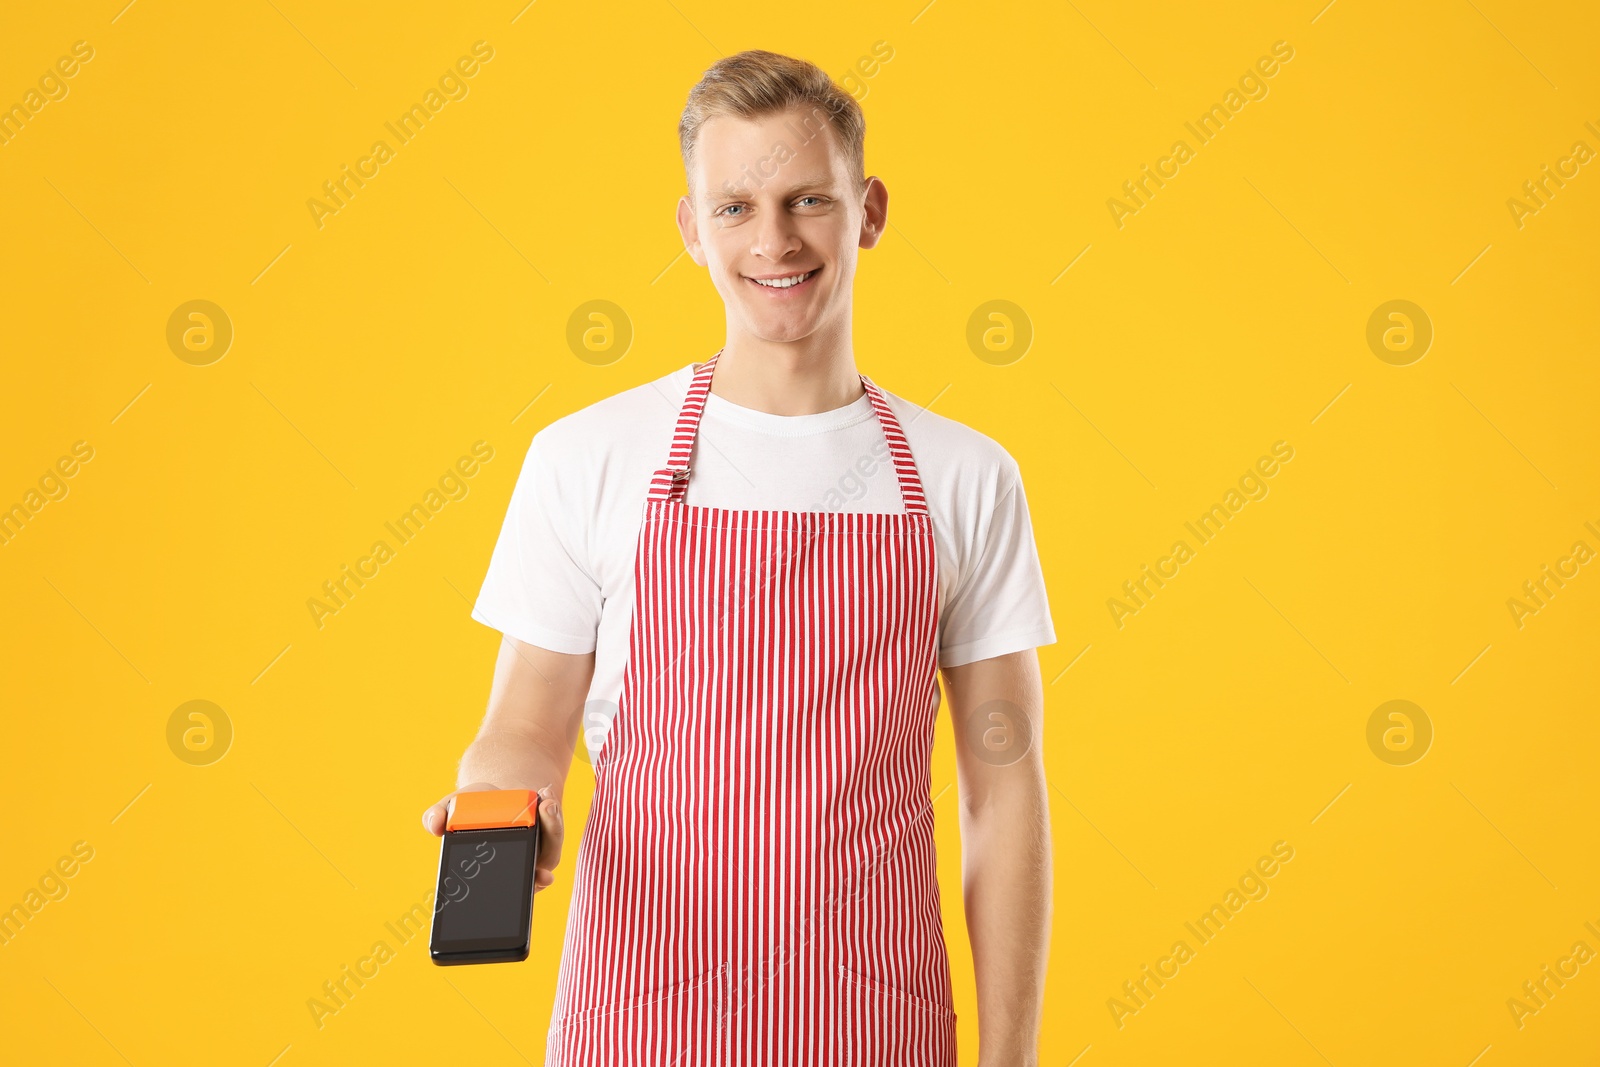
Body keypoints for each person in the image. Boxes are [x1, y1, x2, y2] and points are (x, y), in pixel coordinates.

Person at [420, 48, 1055, 1066]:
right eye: (734, 207)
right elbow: (521, 729)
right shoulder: (587, 457)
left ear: (870, 209)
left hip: (872, 1016)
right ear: (689, 228)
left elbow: (1004, 790)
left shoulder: (964, 476)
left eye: (808, 199)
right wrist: (510, 812)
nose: (774, 240)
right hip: (640, 1016)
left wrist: (1010, 1057)